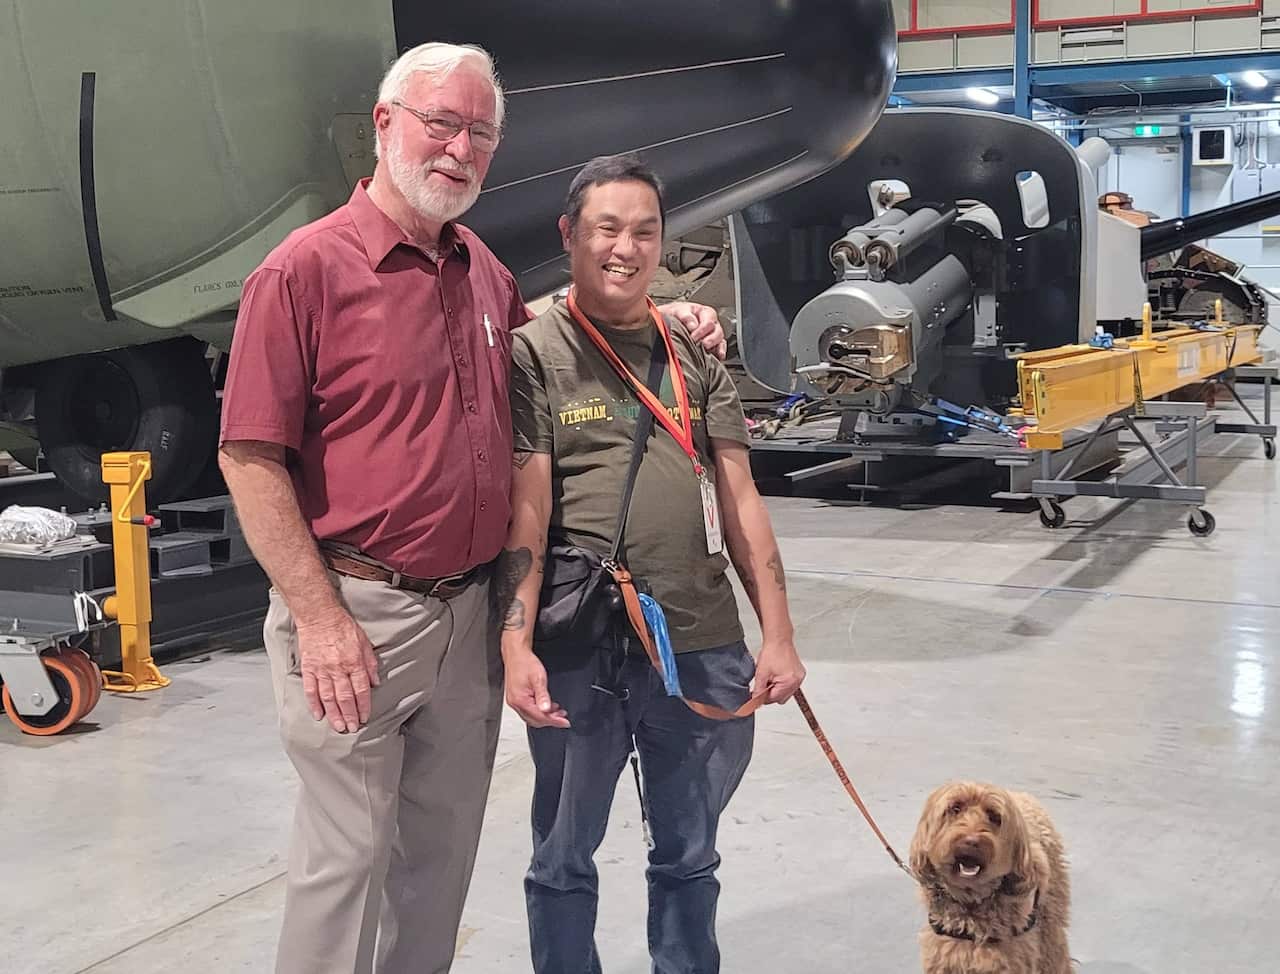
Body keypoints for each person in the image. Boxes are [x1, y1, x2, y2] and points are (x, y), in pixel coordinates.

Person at [218, 44, 726, 974]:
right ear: (384, 125)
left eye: (479, 133)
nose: (458, 149)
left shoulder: (476, 269)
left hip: (468, 614)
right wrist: (320, 617)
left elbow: (542, 327)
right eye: (439, 124)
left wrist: (660, 313)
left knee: (438, 862)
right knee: (343, 868)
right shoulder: (302, 274)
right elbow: (250, 456)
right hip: (357, 617)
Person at [498, 153, 807, 973]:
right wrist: (515, 640)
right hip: (584, 646)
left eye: (644, 231)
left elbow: (740, 500)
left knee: (689, 855)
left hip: (701, 643)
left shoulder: (693, 351)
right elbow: (526, 509)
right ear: (570, 235)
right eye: (607, 229)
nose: (626, 249)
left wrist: (777, 633)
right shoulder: (534, 354)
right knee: (563, 858)